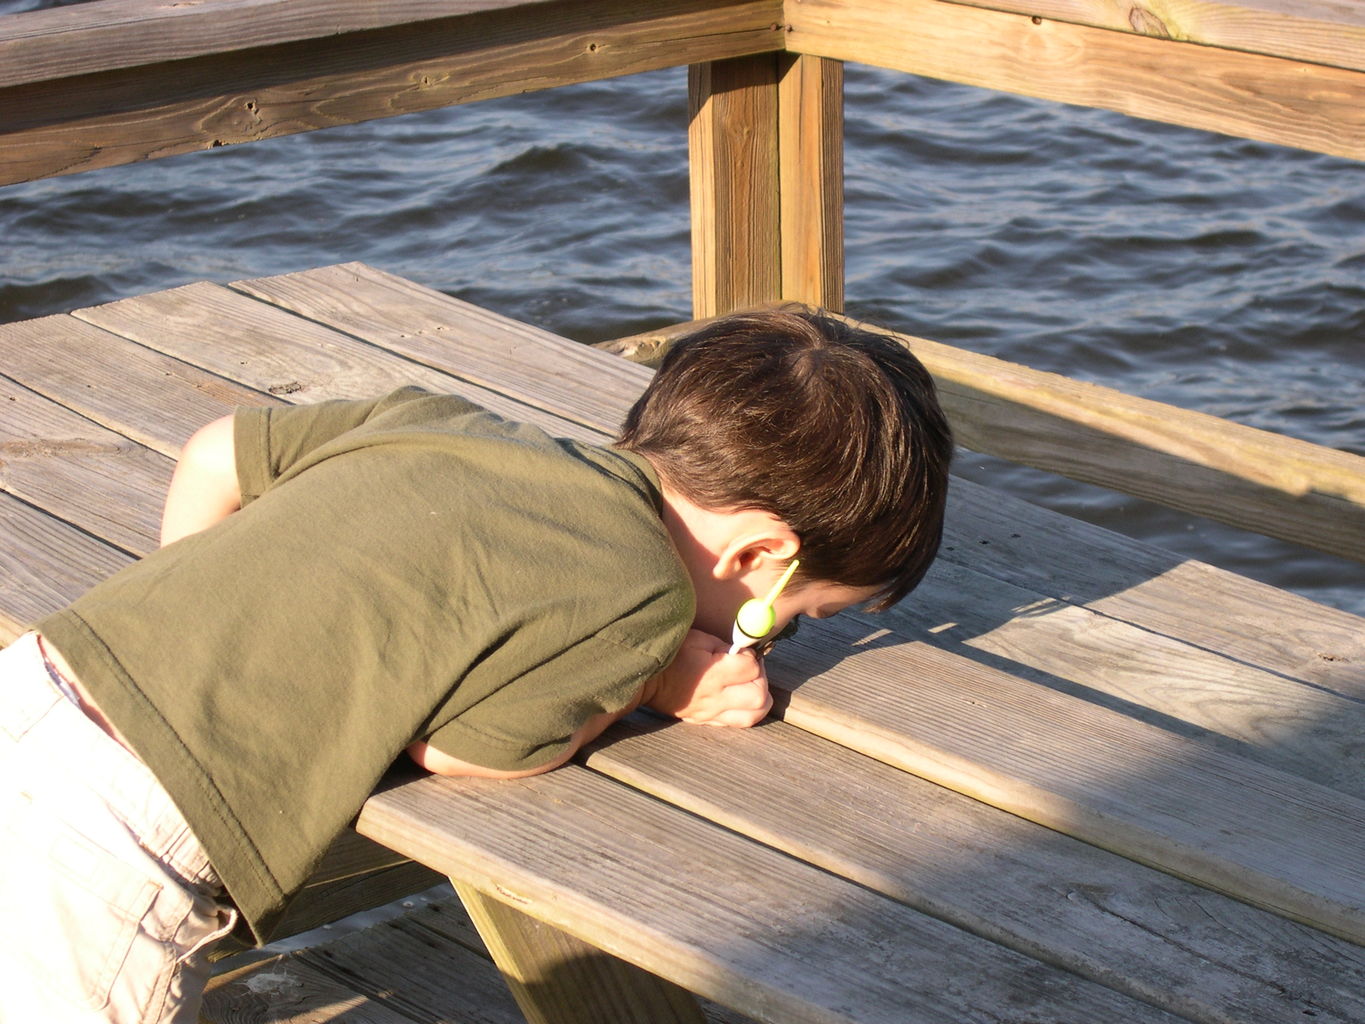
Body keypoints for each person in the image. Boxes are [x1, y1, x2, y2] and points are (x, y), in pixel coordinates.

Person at [0, 307, 953, 1023]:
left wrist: (203, 603)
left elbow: (215, 453)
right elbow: (469, 752)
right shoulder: (642, 594)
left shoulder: (447, 419)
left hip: (42, 677)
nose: (764, 643)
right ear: (756, 559)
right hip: (114, 842)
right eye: (787, 622)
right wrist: (656, 680)